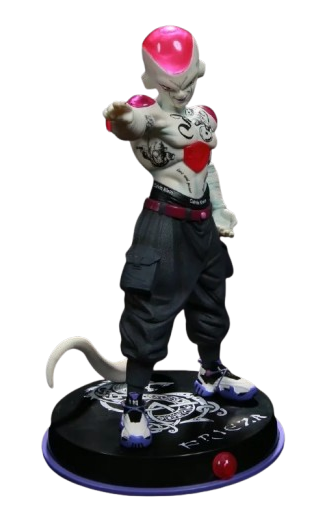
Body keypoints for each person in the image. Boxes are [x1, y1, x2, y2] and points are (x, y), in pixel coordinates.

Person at [104, 26, 256, 449]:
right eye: (173, 85)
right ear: (152, 80)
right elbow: (132, 124)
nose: (183, 92)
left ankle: (211, 372)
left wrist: (220, 206)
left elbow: (205, 167)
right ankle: (134, 404)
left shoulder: (202, 117)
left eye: (189, 82)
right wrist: (120, 118)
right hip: (164, 225)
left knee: (210, 301)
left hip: (203, 225)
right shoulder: (149, 115)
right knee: (150, 311)